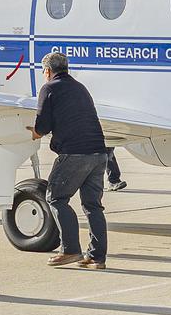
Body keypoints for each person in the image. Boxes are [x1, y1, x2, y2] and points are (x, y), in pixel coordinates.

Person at [28, 52, 111, 269]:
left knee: (56, 198)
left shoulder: (49, 88)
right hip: (99, 152)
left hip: (75, 153)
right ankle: (96, 257)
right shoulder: (80, 87)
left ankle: (70, 250)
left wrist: (35, 133)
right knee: (93, 206)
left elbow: (42, 126)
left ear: (47, 71)